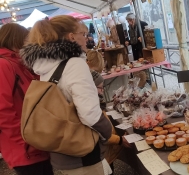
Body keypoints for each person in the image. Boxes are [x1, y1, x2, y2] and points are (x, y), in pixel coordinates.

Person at [20, 15, 113, 175]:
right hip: (82, 151)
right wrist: (108, 131)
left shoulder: (46, 64)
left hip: (61, 150)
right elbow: (89, 114)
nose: (86, 39)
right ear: (72, 36)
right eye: (83, 35)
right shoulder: (74, 64)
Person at [0, 23, 53, 175]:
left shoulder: (19, 64)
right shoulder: (4, 64)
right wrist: (25, 140)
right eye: (26, 40)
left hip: (35, 143)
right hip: (25, 147)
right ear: (16, 40)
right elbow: (3, 110)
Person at [90, 70, 132, 175]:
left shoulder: (96, 105)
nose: (102, 91)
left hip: (104, 155)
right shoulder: (92, 110)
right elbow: (103, 135)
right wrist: (120, 140)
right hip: (100, 157)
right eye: (100, 88)